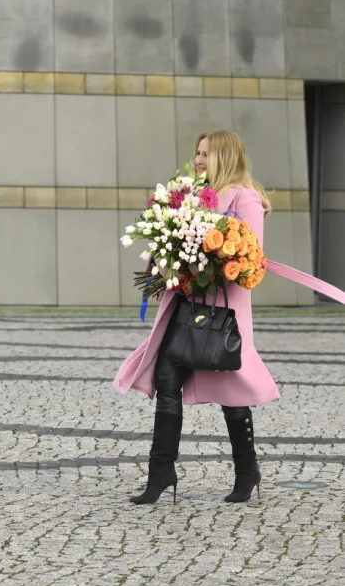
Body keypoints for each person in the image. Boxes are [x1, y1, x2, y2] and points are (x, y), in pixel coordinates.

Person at [114, 130, 277, 505]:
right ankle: (161, 473)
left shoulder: (246, 198)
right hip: (186, 306)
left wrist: (205, 254)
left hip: (222, 313)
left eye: (205, 154)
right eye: (197, 153)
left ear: (224, 156)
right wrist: (169, 250)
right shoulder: (195, 196)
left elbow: (250, 260)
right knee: (166, 380)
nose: (199, 160)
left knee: (232, 393)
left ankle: (247, 470)